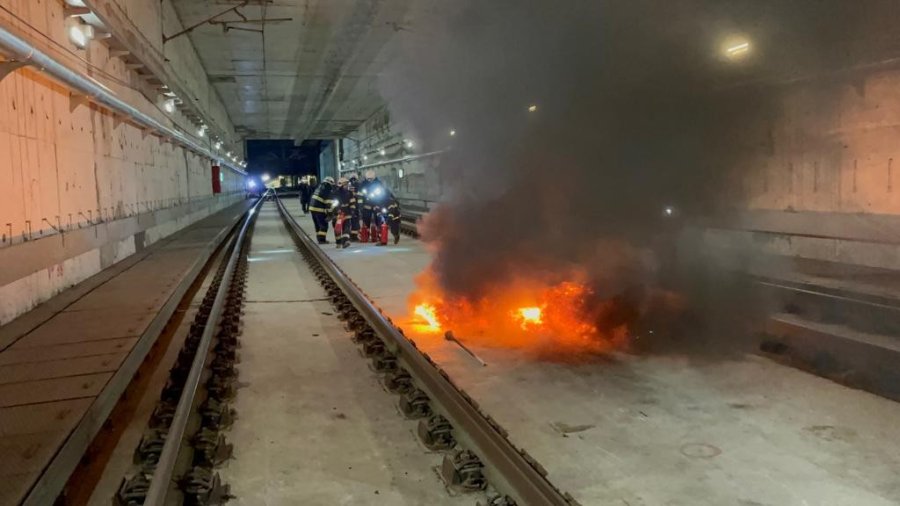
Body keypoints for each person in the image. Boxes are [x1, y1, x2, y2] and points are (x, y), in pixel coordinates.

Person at [309, 177, 335, 244]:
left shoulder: (320, 187)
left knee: (317, 225)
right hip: (319, 209)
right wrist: (330, 214)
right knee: (324, 225)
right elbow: (328, 203)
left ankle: (319, 238)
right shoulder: (328, 188)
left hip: (312, 208)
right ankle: (322, 240)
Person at [333, 177, 356, 248]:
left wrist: (352, 210)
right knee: (337, 229)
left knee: (346, 228)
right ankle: (338, 242)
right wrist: (336, 210)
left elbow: (352, 203)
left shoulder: (350, 193)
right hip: (338, 214)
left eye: (347, 184)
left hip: (347, 213)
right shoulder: (335, 193)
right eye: (345, 184)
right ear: (341, 185)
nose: (347, 186)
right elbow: (333, 204)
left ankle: (345, 241)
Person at [348, 174, 361, 241]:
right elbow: (360, 194)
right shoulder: (357, 184)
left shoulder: (347, 184)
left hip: (348, 205)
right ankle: (354, 236)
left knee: (350, 220)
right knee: (355, 220)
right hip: (355, 204)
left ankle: (350, 235)